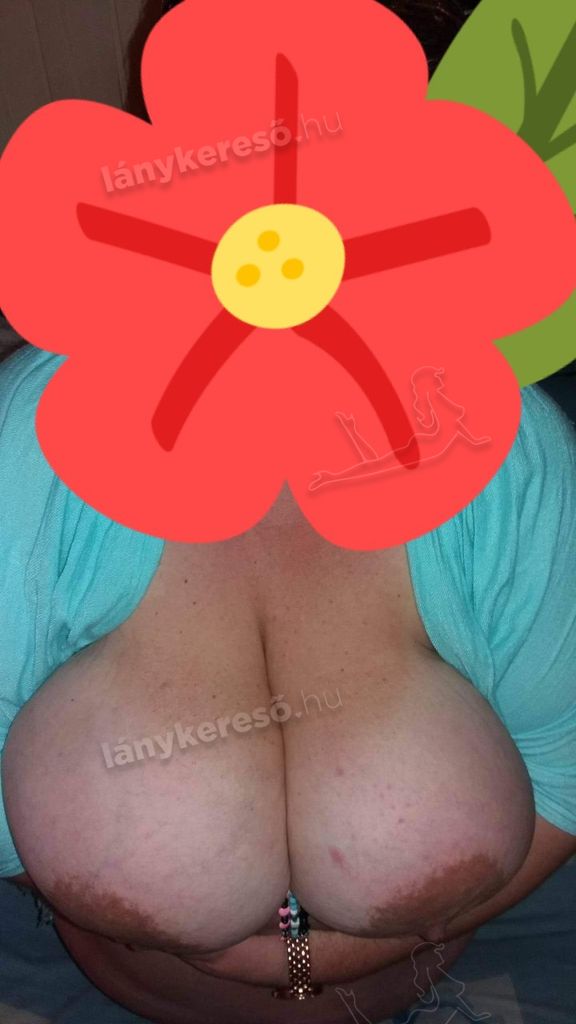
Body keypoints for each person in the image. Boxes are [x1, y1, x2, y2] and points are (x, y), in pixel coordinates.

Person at [1, 4, 575, 1024]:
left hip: (415, 990)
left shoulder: (506, 448)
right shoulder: (40, 442)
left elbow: (567, 767)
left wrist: (315, 966)